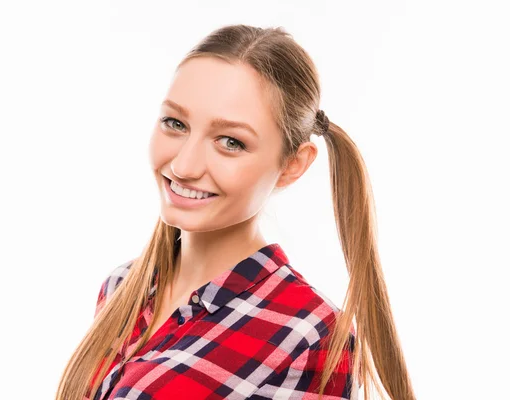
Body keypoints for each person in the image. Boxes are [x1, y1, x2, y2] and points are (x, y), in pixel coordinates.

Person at [55, 24, 416, 400]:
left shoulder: (309, 335)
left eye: (231, 142)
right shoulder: (123, 286)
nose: (184, 166)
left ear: (293, 164)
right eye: (175, 123)